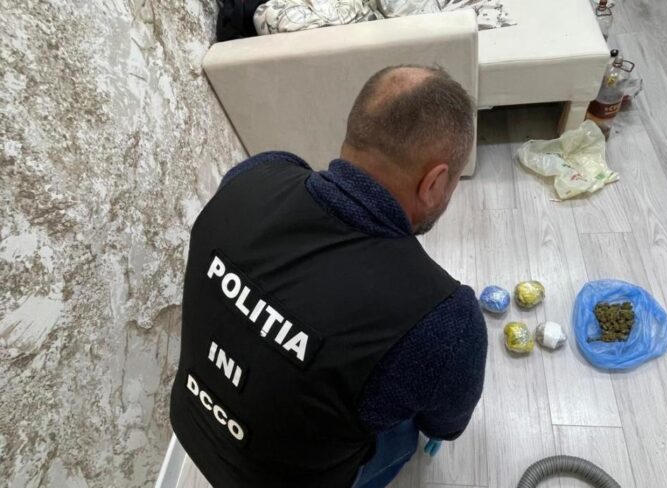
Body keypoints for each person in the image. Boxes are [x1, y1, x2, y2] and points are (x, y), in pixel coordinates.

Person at [169, 65, 487, 488]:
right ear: (435, 182)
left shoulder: (255, 174)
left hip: (190, 422)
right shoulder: (444, 320)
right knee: (405, 420)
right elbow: (445, 425)